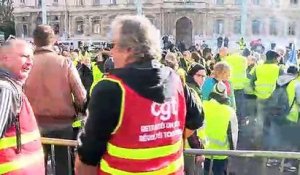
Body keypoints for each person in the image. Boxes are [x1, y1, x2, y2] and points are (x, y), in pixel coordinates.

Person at [75, 15, 204, 175]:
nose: (111, 52)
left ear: (129, 49)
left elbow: (87, 156)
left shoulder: (111, 88)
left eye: (113, 45)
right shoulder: (175, 79)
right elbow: (196, 119)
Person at [24, 25, 87, 175]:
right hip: (63, 123)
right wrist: (79, 110)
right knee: (63, 165)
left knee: (38, 165)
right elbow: (81, 95)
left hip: (34, 124)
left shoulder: (26, 64)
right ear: (53, 40)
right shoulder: (65, 63)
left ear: (34, 40)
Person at [0, 39, 45, 174]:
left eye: (32, 58)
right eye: (25, 56)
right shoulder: (6, 89)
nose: (30, 62)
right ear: (4, 58)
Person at [203, 82, 238, 175]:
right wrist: (232, 151)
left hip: (202, 151)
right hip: (221, 154)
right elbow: (233, 134)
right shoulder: (229, 111)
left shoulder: (203, 106)